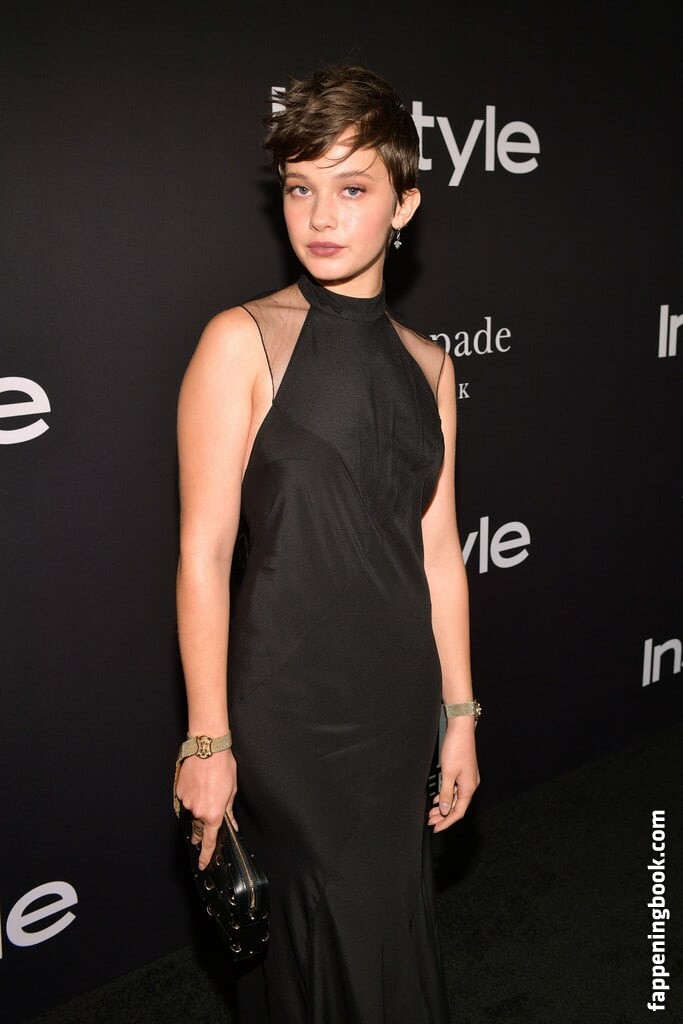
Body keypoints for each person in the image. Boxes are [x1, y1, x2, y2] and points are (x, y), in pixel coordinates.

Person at [174, 64, 480, 1024]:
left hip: (395, 706)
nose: (320, 216)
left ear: (404, 204)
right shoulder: (241, 341)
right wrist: (207, 740)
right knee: (317, 942)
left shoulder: (430, 368)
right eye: (301, 187)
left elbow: (439, 554)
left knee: (384, 929)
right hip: (288, 711)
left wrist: (459, 715)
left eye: (351, 189)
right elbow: (202, 552)